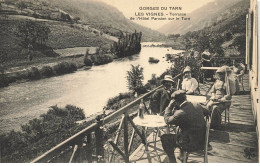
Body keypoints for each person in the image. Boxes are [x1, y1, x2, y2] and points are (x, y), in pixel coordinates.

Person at [161, 90, 209, 163]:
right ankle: (182, 156)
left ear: (175, 101)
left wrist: (169, 107)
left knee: (165, 138)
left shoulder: (180, 113)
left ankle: (172, 162)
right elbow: (207, 111)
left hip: (190, 144)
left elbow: (167, 120)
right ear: (185, 98)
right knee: (181, 129)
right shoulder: (197, 105)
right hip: (202, 141)